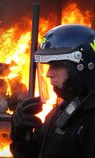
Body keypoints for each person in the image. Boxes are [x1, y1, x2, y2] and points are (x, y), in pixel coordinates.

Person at [10, 24, 95, 158]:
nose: (48, 74)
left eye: (56, 65)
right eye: (49, 66)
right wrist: (21, 137)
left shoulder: (90, 120)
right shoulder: (63, 111)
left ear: (82, 66)